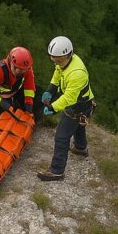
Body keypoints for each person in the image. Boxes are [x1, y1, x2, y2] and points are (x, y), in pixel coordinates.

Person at [37, 36, 95, 182]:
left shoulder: (77, 73)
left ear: (69, 54)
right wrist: (50, 90)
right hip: (84, 103)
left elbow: (69, 98)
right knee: (78, 125)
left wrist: (53, 108)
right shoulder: (64, 60)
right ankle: (81, 148)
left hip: (78, 104)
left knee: (61, 137)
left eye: (59, 59)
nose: (56, 62)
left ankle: (57, 171)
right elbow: (58, 74)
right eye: (53, 59)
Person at [0, 46, 37, 132]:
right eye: (16, 68)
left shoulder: (27, 70)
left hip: (10, 93)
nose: (18, 72)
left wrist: (29, 106)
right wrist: (2, 103)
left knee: (37, 99)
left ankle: (16, 105)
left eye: (22, 70)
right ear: (10, 61)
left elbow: (29, 88)